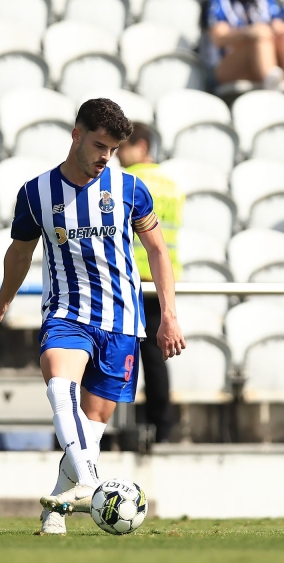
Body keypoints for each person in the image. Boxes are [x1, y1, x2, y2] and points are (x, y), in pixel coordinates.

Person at [0, 98, 186, 535]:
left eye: (113, 149)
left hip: (122, 319)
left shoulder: (130, 188)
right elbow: (19, 253)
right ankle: (90, 482)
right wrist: (2, 304)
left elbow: (157, 251)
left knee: (88, 431)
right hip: (66, 312)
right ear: (77, 135)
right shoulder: (36, 193)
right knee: (59, 383)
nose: (106, 156)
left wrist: (169, 316)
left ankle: (56, 510)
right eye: (99, 145)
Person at [117, 123, 185, 443]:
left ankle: (115, 428)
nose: (117, 155)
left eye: (123, 147)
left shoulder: (128, 182)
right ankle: (163, 427)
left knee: (120, 355)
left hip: (131, 279)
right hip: (161, 282)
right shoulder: (172, 186)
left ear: (141, 146)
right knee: (157, 358)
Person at [206, 0, 284, 89]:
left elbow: (278, 25)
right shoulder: (220, 3)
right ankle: (273, 86)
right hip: (224, 68)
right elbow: (219, 38)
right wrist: (248, 33)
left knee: (281, 37)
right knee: (260, 38)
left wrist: (277, 29)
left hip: (262, 66)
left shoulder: (267, 2)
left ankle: (275, 81)